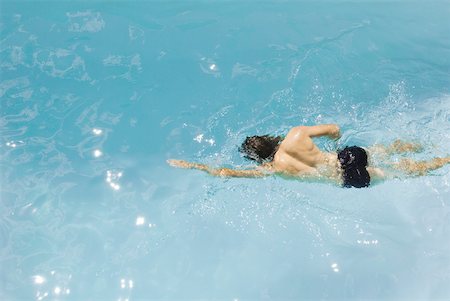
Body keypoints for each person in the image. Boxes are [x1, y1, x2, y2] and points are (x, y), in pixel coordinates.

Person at [167, 124, 450, 188]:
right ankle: (421, 143)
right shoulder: (296, 133)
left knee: (404, 171)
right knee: (384, 151)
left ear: (259, 158)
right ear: (269, 138)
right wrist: (338, 142)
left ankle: (444, 160)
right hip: (346, 156)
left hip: (346, 176)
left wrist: (190, 165)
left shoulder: (273, 169)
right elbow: (334, 129)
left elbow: (226, 173)